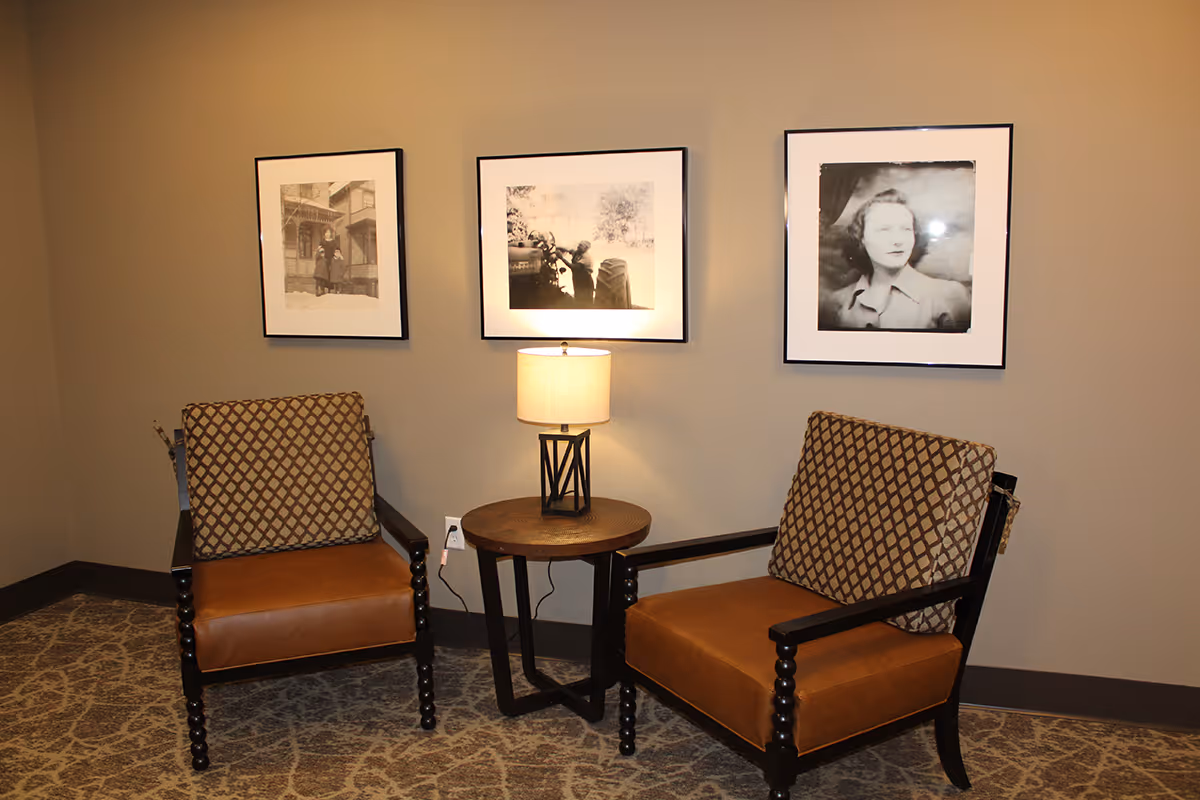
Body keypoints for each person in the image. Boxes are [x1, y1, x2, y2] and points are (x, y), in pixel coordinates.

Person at [830, 189, 970, 331]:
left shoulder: (948, 296)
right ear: (862, 238)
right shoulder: (837, 302)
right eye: (884, 229)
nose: (898, 240)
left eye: (906, 229)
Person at [561, 240, 594, 307]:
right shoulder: (579, 254)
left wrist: (561, 258)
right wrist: (563, 249)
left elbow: (573, 267)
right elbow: (572, 252)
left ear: (585, 248)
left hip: (585, 280)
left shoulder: (586, 257)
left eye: (580, 246)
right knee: (578, 296)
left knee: (584, 300)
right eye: (578, 245)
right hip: (578, 279)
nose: (578, 247)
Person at [314, 228, 340, 297]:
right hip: (324, 259)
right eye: (326, 233)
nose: (327, 234)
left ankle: (333, 289)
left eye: (329, 232)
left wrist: (336, 256)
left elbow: (337, 250)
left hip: (331, 259)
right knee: (322, 271)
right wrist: (320, 252)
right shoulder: (322, 242)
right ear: (324, 234)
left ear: (331, 234)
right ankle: (321, 289)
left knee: (333, 271)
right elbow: (319, 250)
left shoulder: (334, 242)